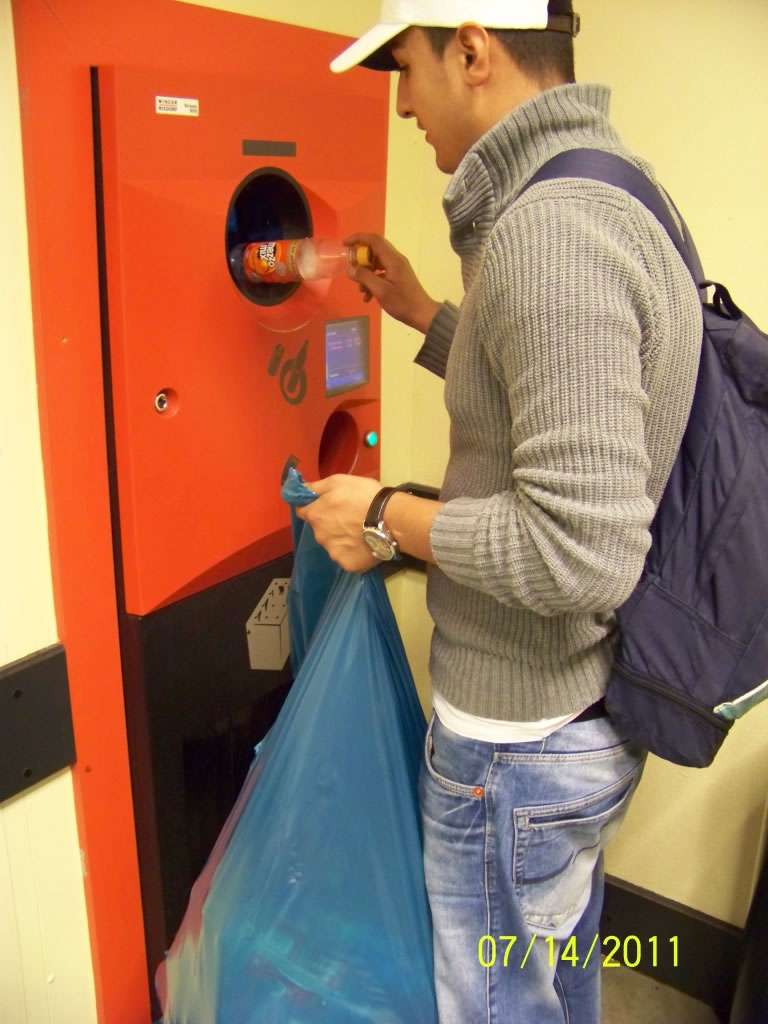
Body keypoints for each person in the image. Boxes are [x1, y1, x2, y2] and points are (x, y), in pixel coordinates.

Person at [297, 1, 703, 1021]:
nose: (402, 105)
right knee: (550, 976)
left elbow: (576, 551)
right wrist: (424, 314)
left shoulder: (549, 232)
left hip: (518, 746)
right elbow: (553, 395)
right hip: (582, 716)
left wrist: (386, 513)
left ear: (472, 50)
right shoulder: (615, 186)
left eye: (407, 66)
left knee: (492, 1000)